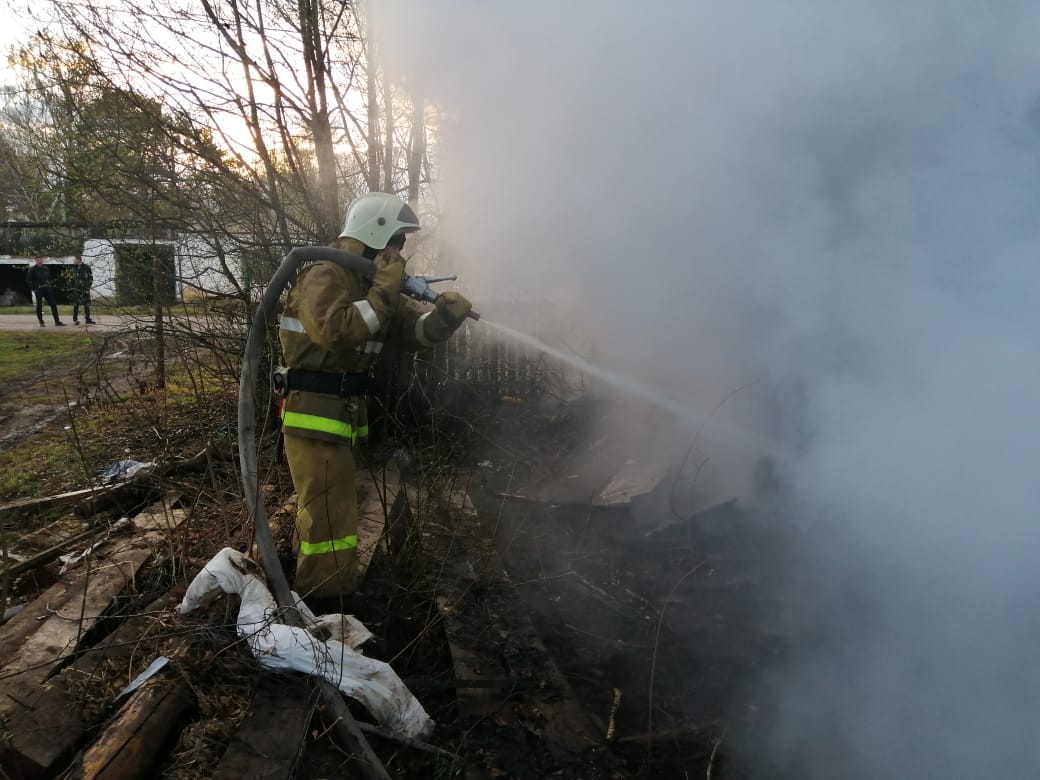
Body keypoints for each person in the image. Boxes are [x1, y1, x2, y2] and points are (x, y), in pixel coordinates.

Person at [278, 192, 472, 603]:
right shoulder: (325, 274)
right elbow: (337, 331)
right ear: (374, 232)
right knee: (330, 516)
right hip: (314, 413)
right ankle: (325, 601)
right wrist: (384, 290)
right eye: (397, 241)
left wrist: (443, 320)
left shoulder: (367, 283)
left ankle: (324, 586)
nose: (399, 252)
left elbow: (409, 334)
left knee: (328, 509)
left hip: (338, 416)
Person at [25, 257, 65, 327]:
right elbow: (28, 281)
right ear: (36, 261)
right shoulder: (32, 269)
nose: (40, 261)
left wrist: (50, 286)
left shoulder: (46, 268)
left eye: (41, 260)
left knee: (53, 304)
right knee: (39, 306)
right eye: (38, 260)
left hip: (47, 289)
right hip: (38, 290)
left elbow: (49, 278)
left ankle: (57, 321)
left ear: (43, 260)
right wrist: (34, 289)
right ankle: (41, 322)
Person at [69, 256, 95, 325]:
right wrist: (73, 287)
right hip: (76, 289)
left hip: (85, 289)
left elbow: (90, 278)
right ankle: (75, 320)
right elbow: (72, 279)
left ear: (78, 260)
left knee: (86, 304)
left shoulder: (86, 267)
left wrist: (88, 287)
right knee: (76, 304)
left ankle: (88, 319)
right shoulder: (74, 268)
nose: (73, 261)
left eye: (74, 259)